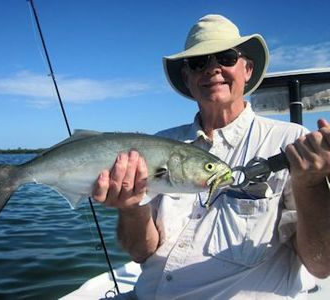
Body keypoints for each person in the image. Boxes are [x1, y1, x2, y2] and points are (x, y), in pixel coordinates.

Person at [93, 14, 330, 299]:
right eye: (198, 62)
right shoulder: (158, 144)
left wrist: (311, 184)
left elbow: (321, 265)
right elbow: (141, 252)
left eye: (226, 57)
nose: (212, 69)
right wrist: (131, 209)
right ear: (187, 77)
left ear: (248, 69)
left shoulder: (290, 143)